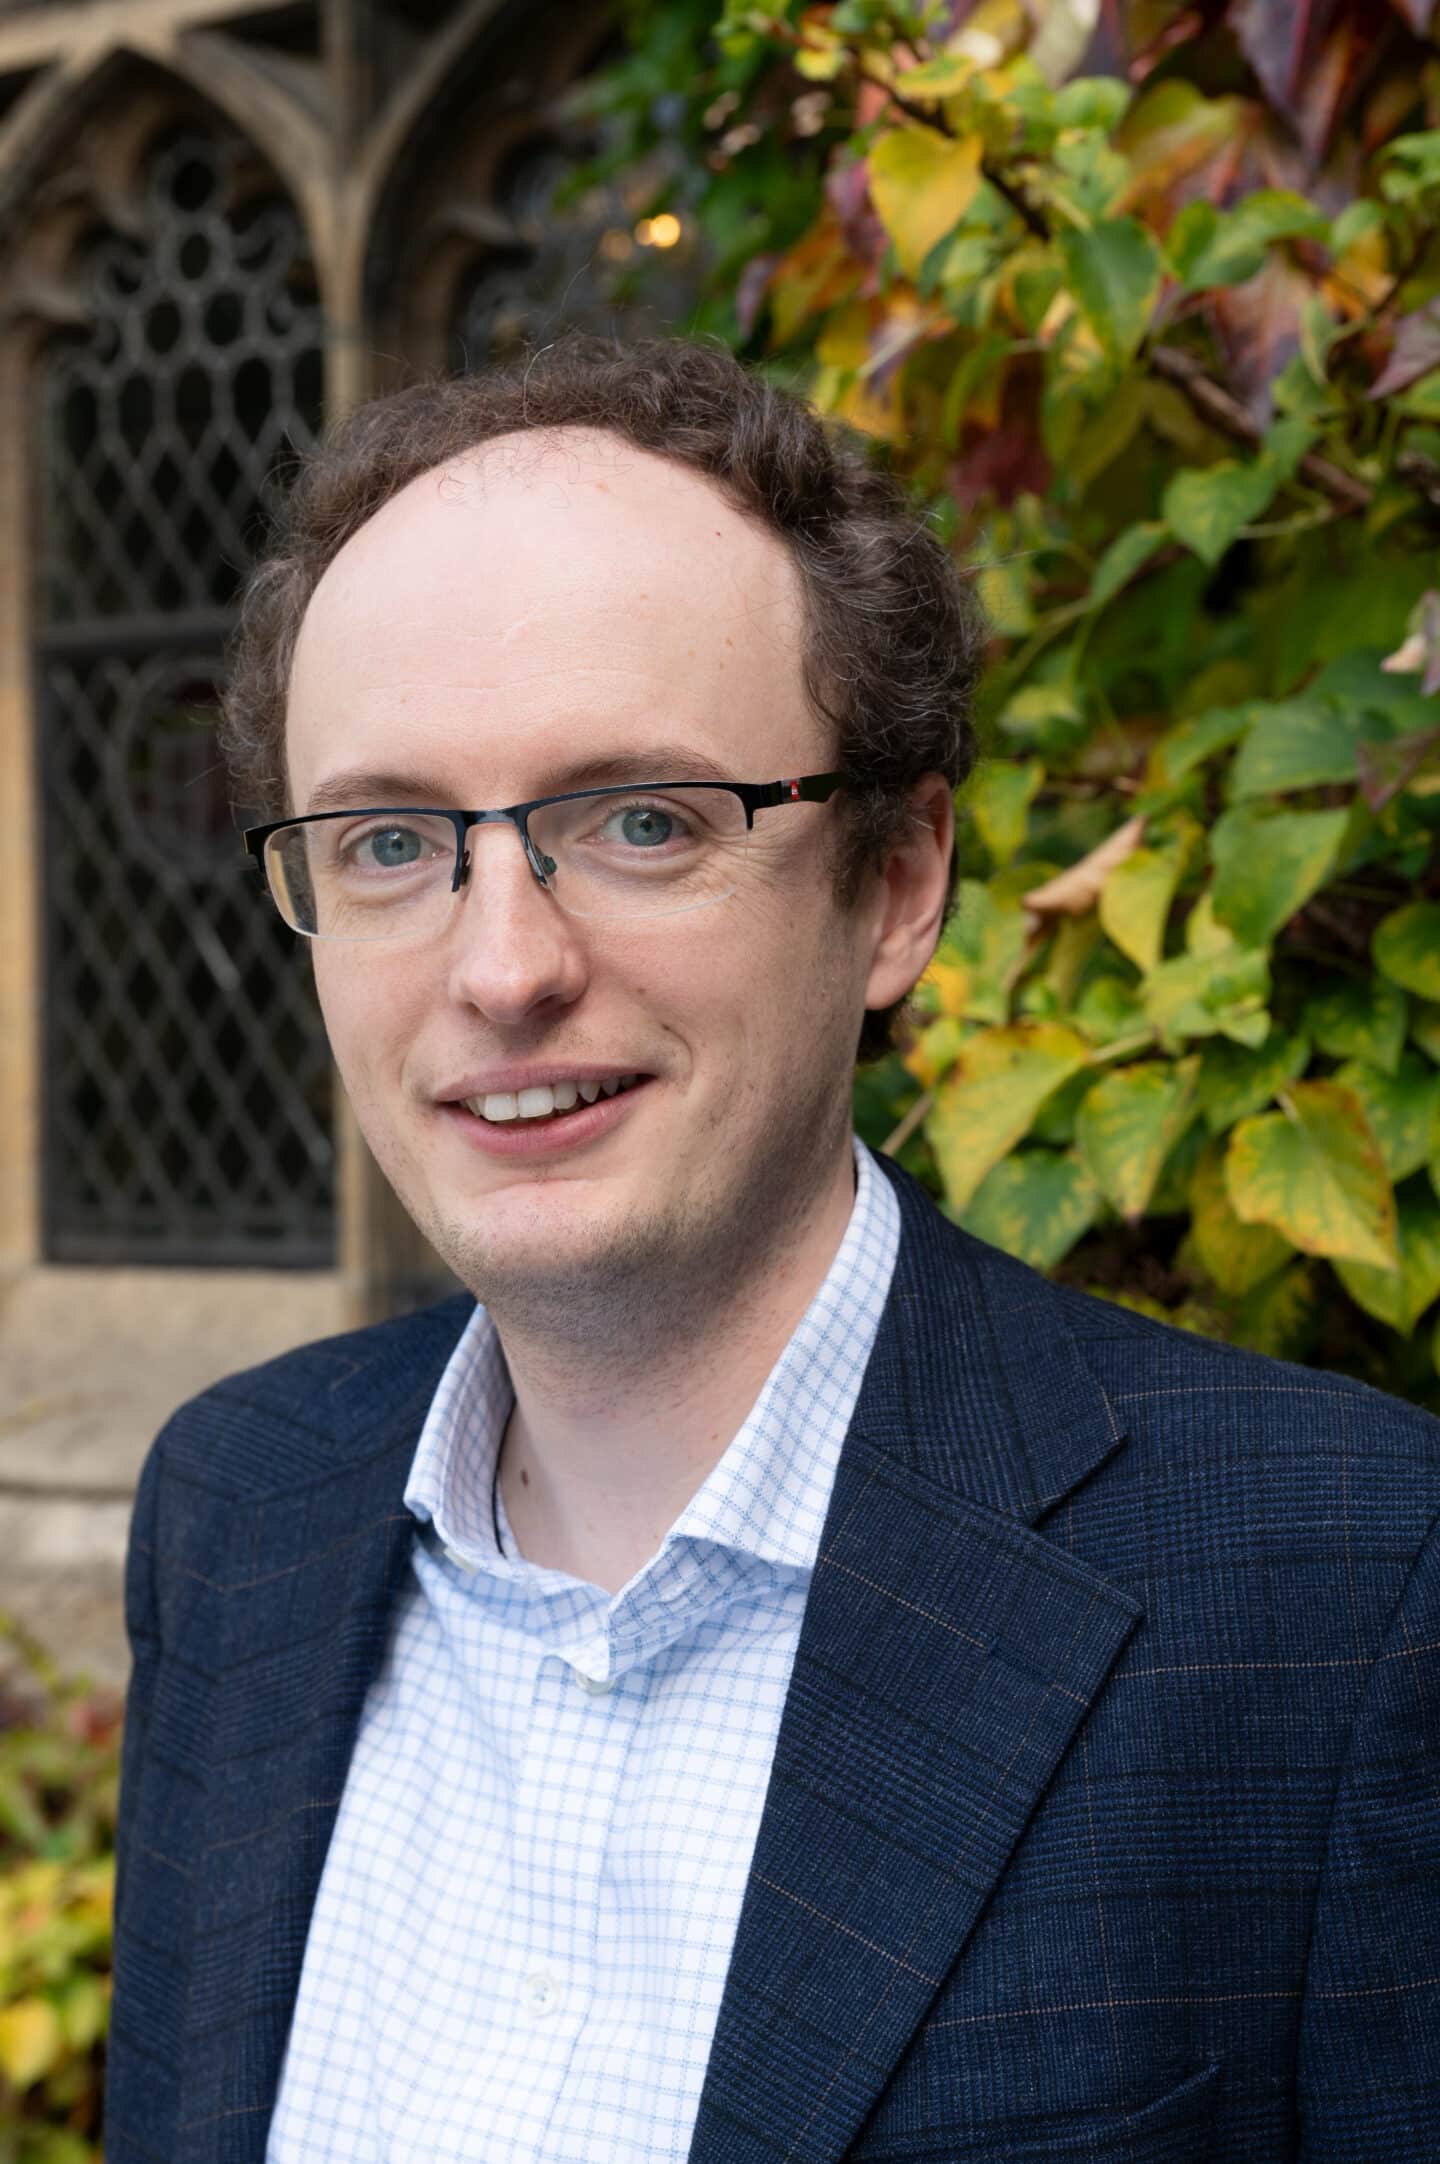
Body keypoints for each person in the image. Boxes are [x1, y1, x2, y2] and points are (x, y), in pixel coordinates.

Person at [107, 334, 1440, 2164]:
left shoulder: (1343, 1596)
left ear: (894, 883)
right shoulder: (234, 1512)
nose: (502, 969)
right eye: (391, 842)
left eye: (644, 821)